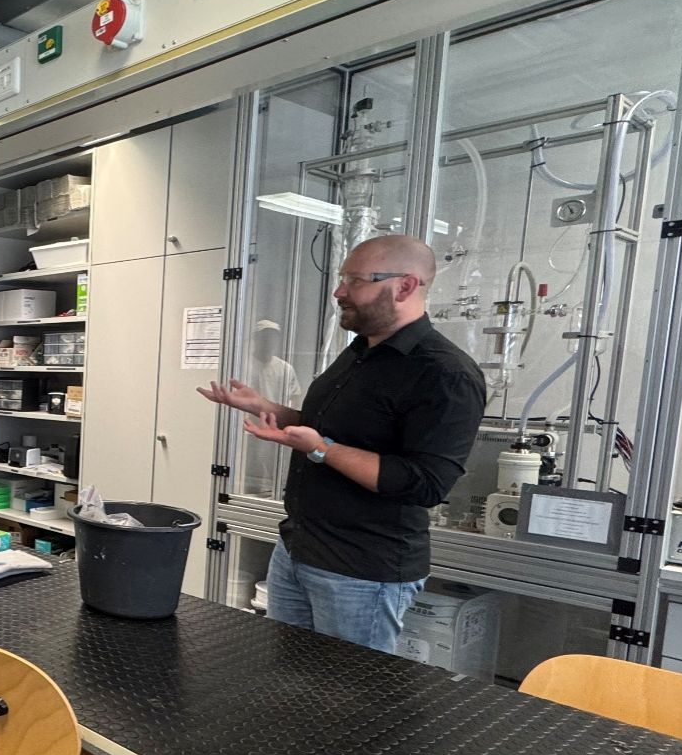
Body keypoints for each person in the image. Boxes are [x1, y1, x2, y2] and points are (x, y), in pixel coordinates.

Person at [200, 235, 485, 652]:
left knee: (349, 689)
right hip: (298, 550)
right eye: (342, 279)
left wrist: (322, 449)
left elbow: (425, 483)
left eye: (355, 280)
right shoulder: (359, 353)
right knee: (289, 677)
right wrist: (264, 406)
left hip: (361, 571)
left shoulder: (446, 373)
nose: (339, 292)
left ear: (405, 286)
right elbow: (322, 429)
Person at [242, 318, 305, 498]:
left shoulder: (285, 368)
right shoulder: (244, 365)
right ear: (256, 338)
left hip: (277, 428)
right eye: (265, 337)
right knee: (252, 467)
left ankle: (274, 495)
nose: (269, 342)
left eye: (273, 337)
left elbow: (295, 396)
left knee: (275, 467)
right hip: (250, 429)